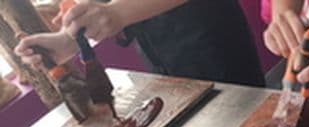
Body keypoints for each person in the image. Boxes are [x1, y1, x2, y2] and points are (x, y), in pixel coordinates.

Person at [15, 0, 265, 87]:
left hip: (212, 42)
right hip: (158, 56)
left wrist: (118, 13)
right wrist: (69, 39)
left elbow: (114, 10)